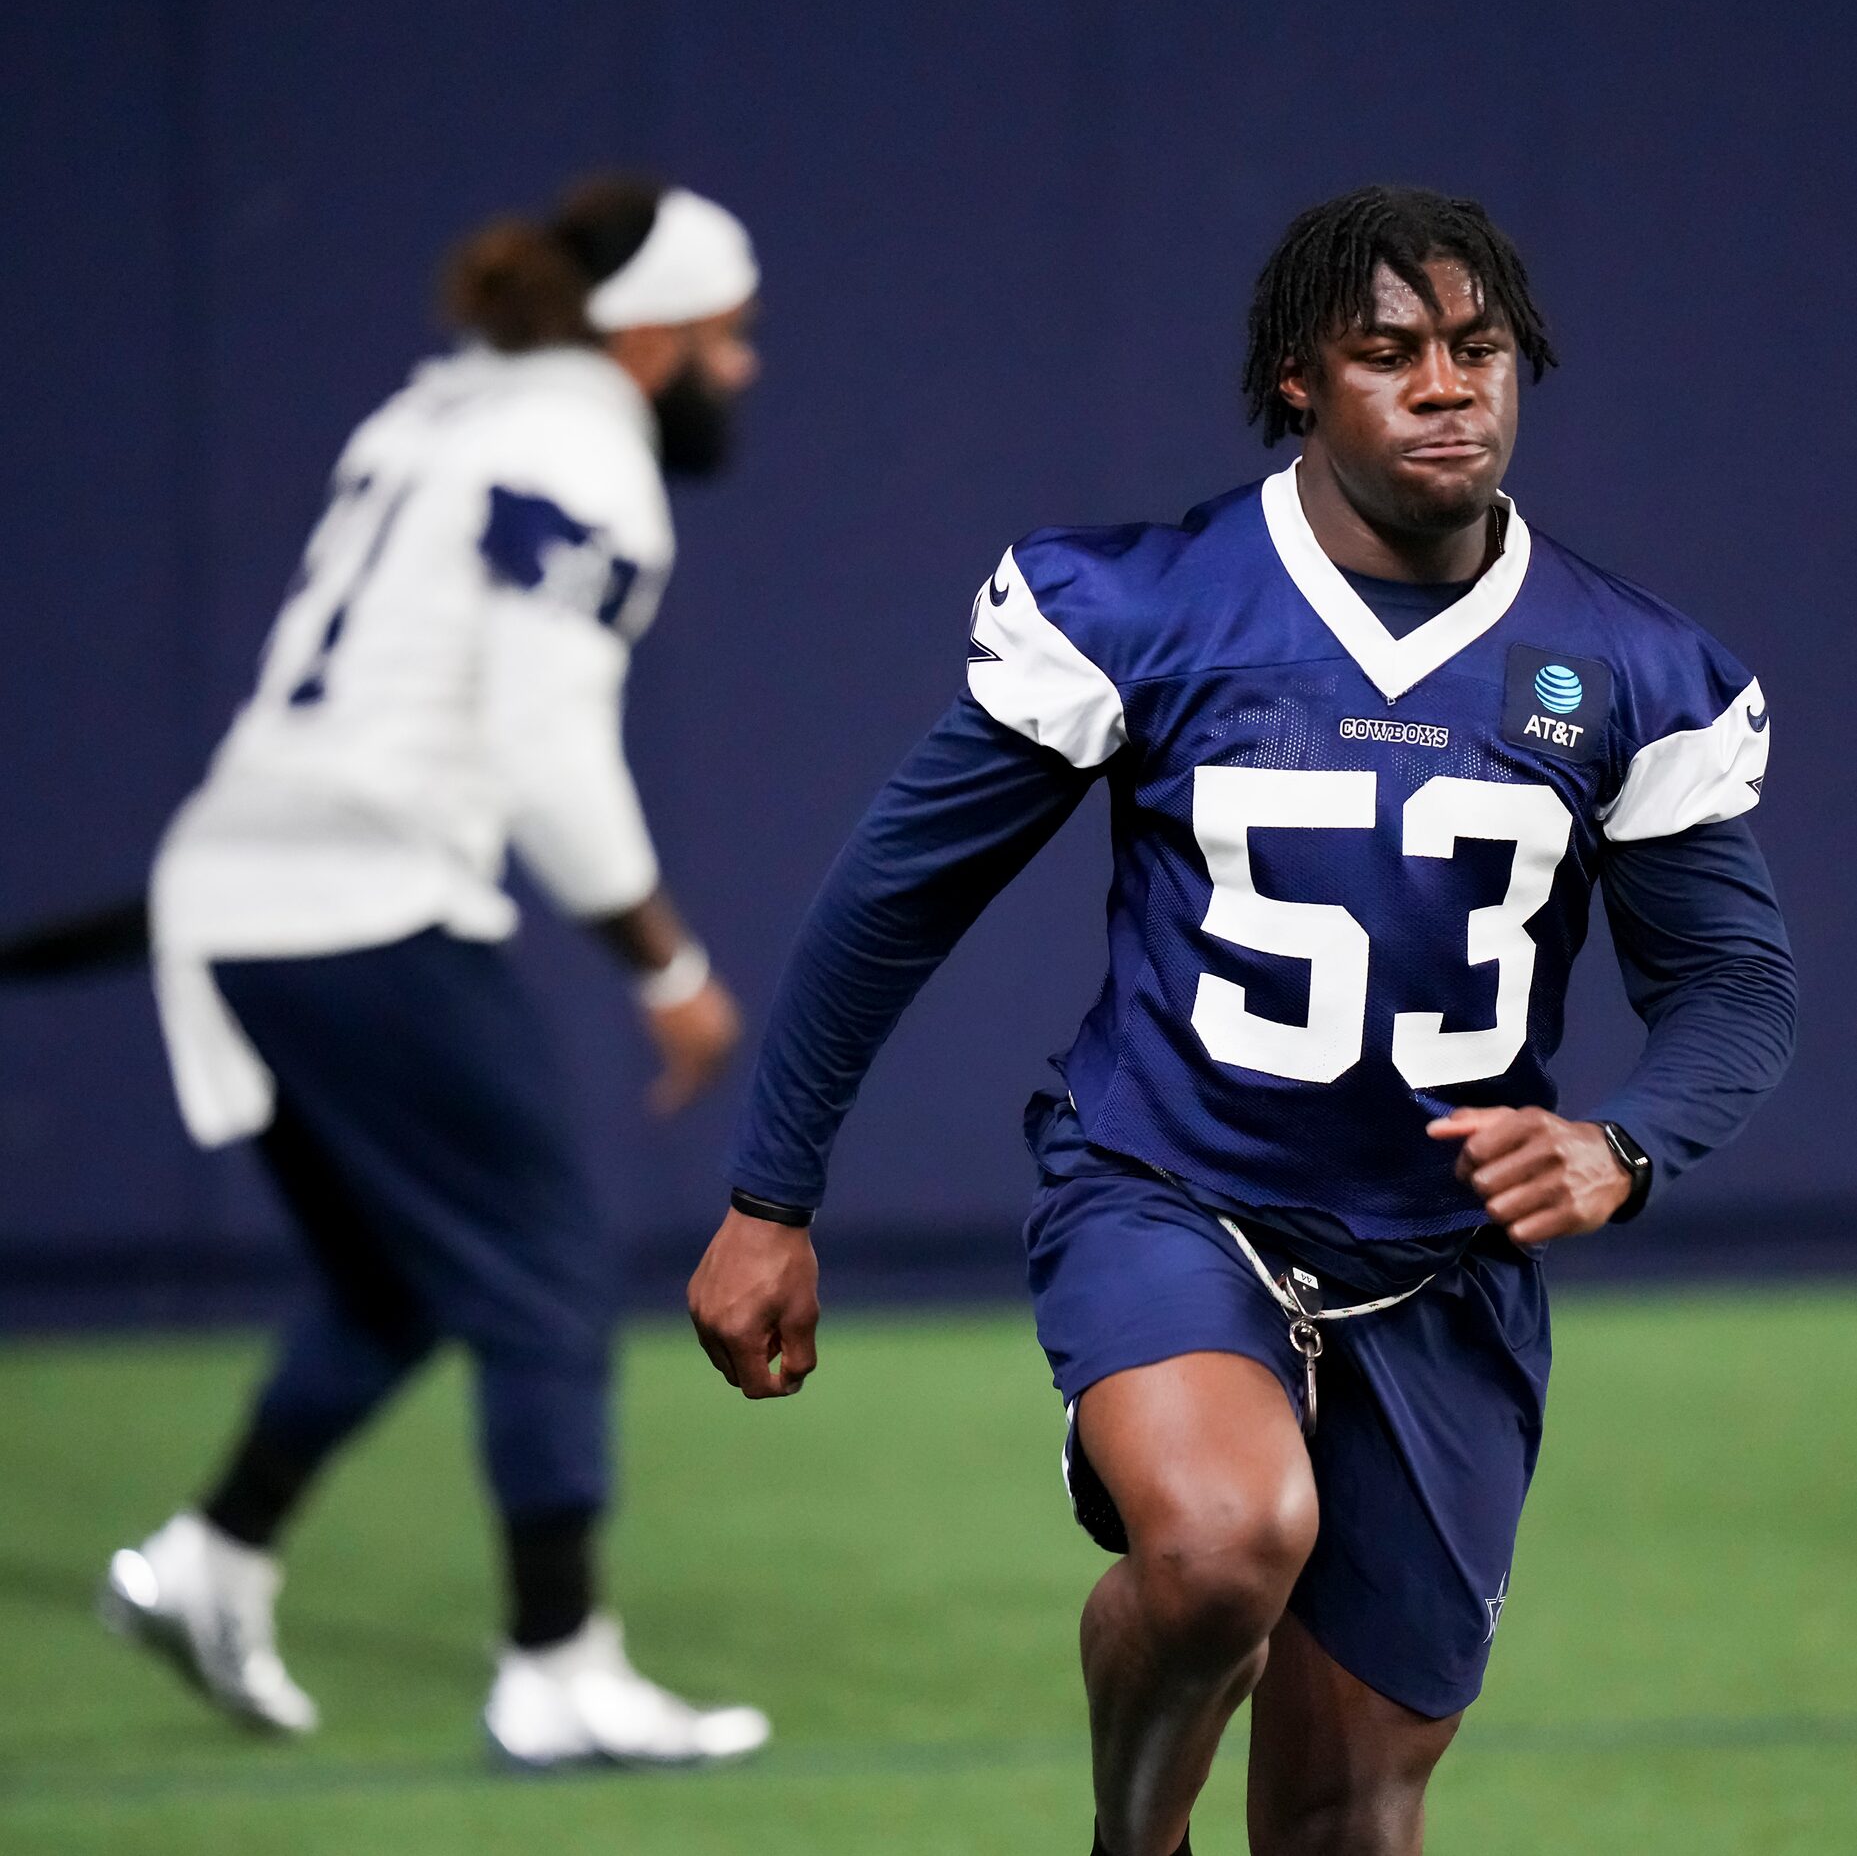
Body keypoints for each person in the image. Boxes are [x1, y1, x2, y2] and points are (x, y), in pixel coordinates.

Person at [685, 185, 1796, 1852]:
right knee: (1218, 1543)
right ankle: (1133, 1838)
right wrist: (772, 1193)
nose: (1445, 387)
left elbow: (1733, 982)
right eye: (1388, 352)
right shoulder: (1151, 604)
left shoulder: (1625, 663)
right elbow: (892, 896)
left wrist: (1622, 1144)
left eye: (1478, 349)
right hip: (1172, 1184)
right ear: (1296, 380)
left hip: (1441, 1266)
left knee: (1350, 1814)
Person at [95, 171, 773, 1768]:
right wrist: (665, 962)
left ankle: (213, 1557)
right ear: (660, 329)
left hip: (237, 880)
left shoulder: (447, 409)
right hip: (354, 890)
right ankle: (556, 1664)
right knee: (539, 1262)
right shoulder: (580, 446)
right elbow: (542, 747)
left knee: (410, 1272)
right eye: (730, 337)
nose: (741, 371)